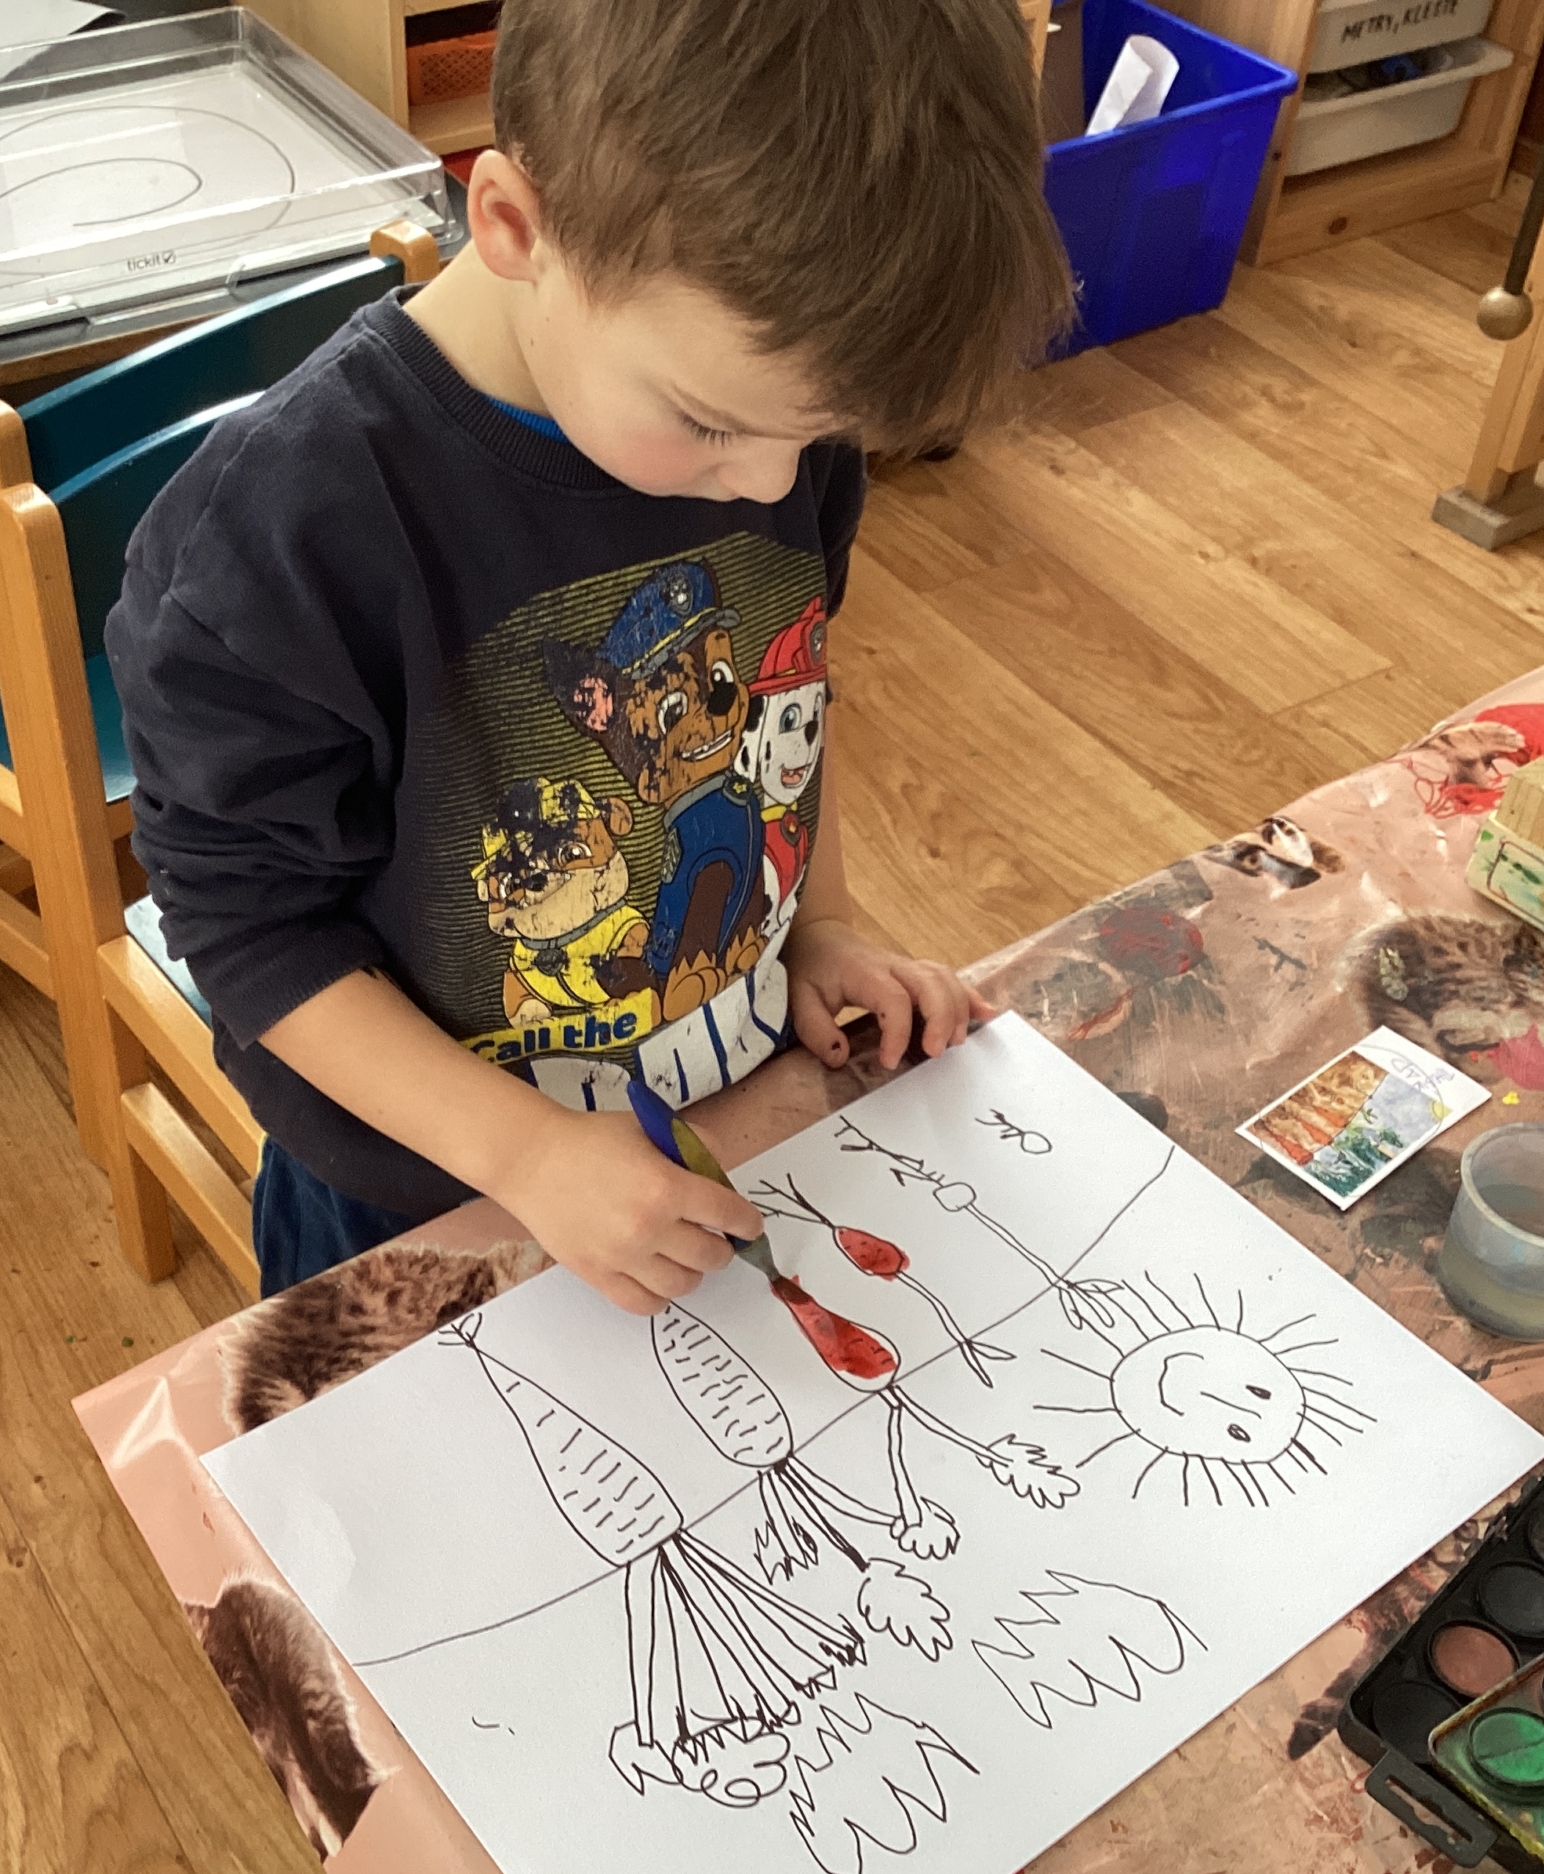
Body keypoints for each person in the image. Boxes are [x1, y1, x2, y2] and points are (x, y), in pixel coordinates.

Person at [106, 0, 1071, 1307]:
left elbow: (787, 692)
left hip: (723, 1095)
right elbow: (248, 927)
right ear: (515, 226)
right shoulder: (283, 536)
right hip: (426, 1190)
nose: (772, 485)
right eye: (712, 425)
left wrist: (822, 929)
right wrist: (528, 1154)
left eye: (817, 435)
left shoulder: (765, 410)